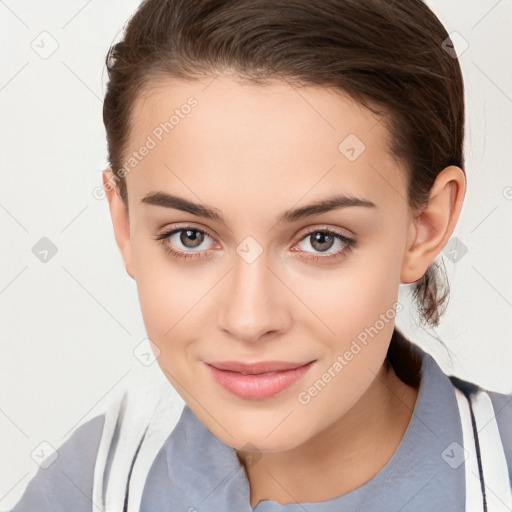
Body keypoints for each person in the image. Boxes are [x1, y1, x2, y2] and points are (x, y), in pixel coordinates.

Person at [9, 0, 512, 511]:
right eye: (189, 237)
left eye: (322, 239)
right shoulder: (87, 487)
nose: (249, 320)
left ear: (424, 227)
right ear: (125, 225)